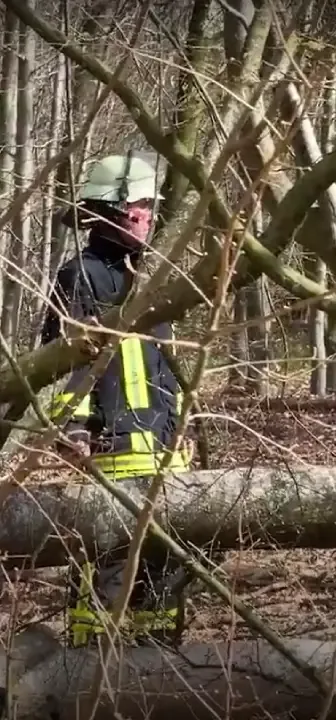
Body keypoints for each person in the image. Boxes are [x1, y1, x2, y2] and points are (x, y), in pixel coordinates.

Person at [43, 152, 190, 648]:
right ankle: (92, 680)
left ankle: (160, 681)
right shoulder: (81, 276)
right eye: (144, 205)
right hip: (112, 459)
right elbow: (64, 363)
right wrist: (76, 430)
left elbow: (166, 368)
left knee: (162, 588)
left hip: (166, 460)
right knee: (106, 589)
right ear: (119, 209)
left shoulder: (148, 277)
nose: (150, 217)